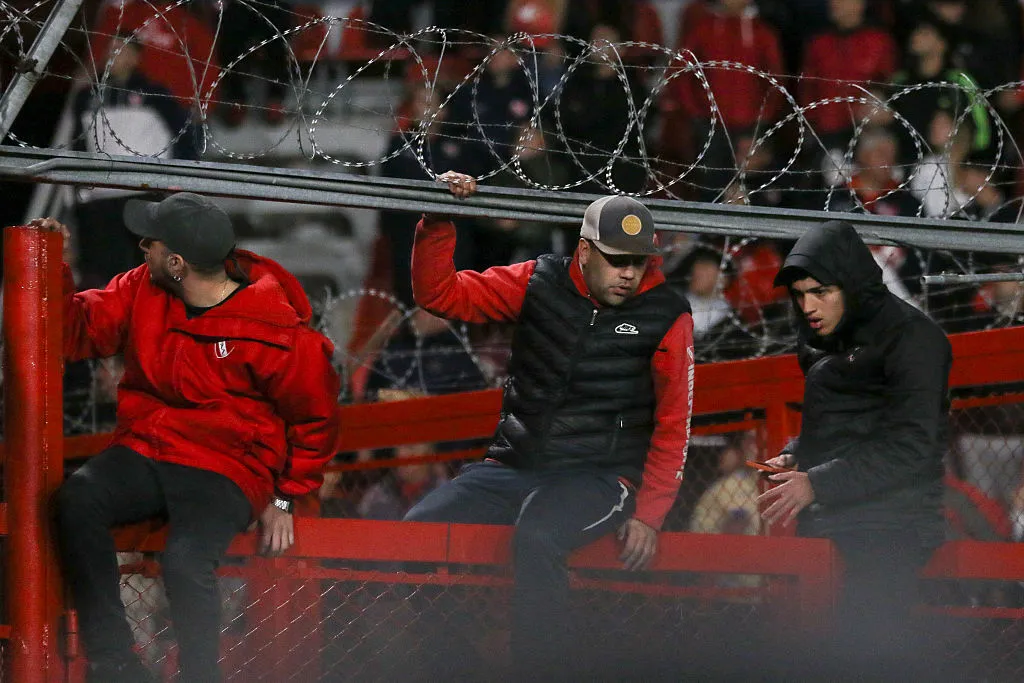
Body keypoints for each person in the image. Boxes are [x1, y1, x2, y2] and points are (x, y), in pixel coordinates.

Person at [32, 192, 341, 683]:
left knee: (186, 560)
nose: (142, 249)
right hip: (149, 445)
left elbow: (315, 418)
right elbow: (75, 335)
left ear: (175, 263)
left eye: (150, 244)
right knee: (77, 499)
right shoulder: (141, 287)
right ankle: (116, 664)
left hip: (229, 464)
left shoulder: (274, 327)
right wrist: (52, 267)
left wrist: (285, 497)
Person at [403, 172, 695, 678]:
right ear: (584, 251)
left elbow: (674, 420)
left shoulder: (667, 312)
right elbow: (441, 295)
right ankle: (460, 663)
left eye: (639, 261)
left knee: (537, 538)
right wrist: (438, 220)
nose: (629, 273)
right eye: (617, 259)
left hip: (600, 476)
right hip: (516, 464)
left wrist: (649, 512)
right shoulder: (538, 280)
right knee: (416, 537)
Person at [759, 219, 952, 676]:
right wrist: (797, 453)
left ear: (850, 283)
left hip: (889, 531)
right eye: (800, 293)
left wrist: (817, 483)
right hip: (835, 521)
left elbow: (910, 446)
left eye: (820, 291)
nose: (807, 305)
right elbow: (849, 425)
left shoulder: (913, 338)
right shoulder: (827, 335)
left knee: (861, 660)